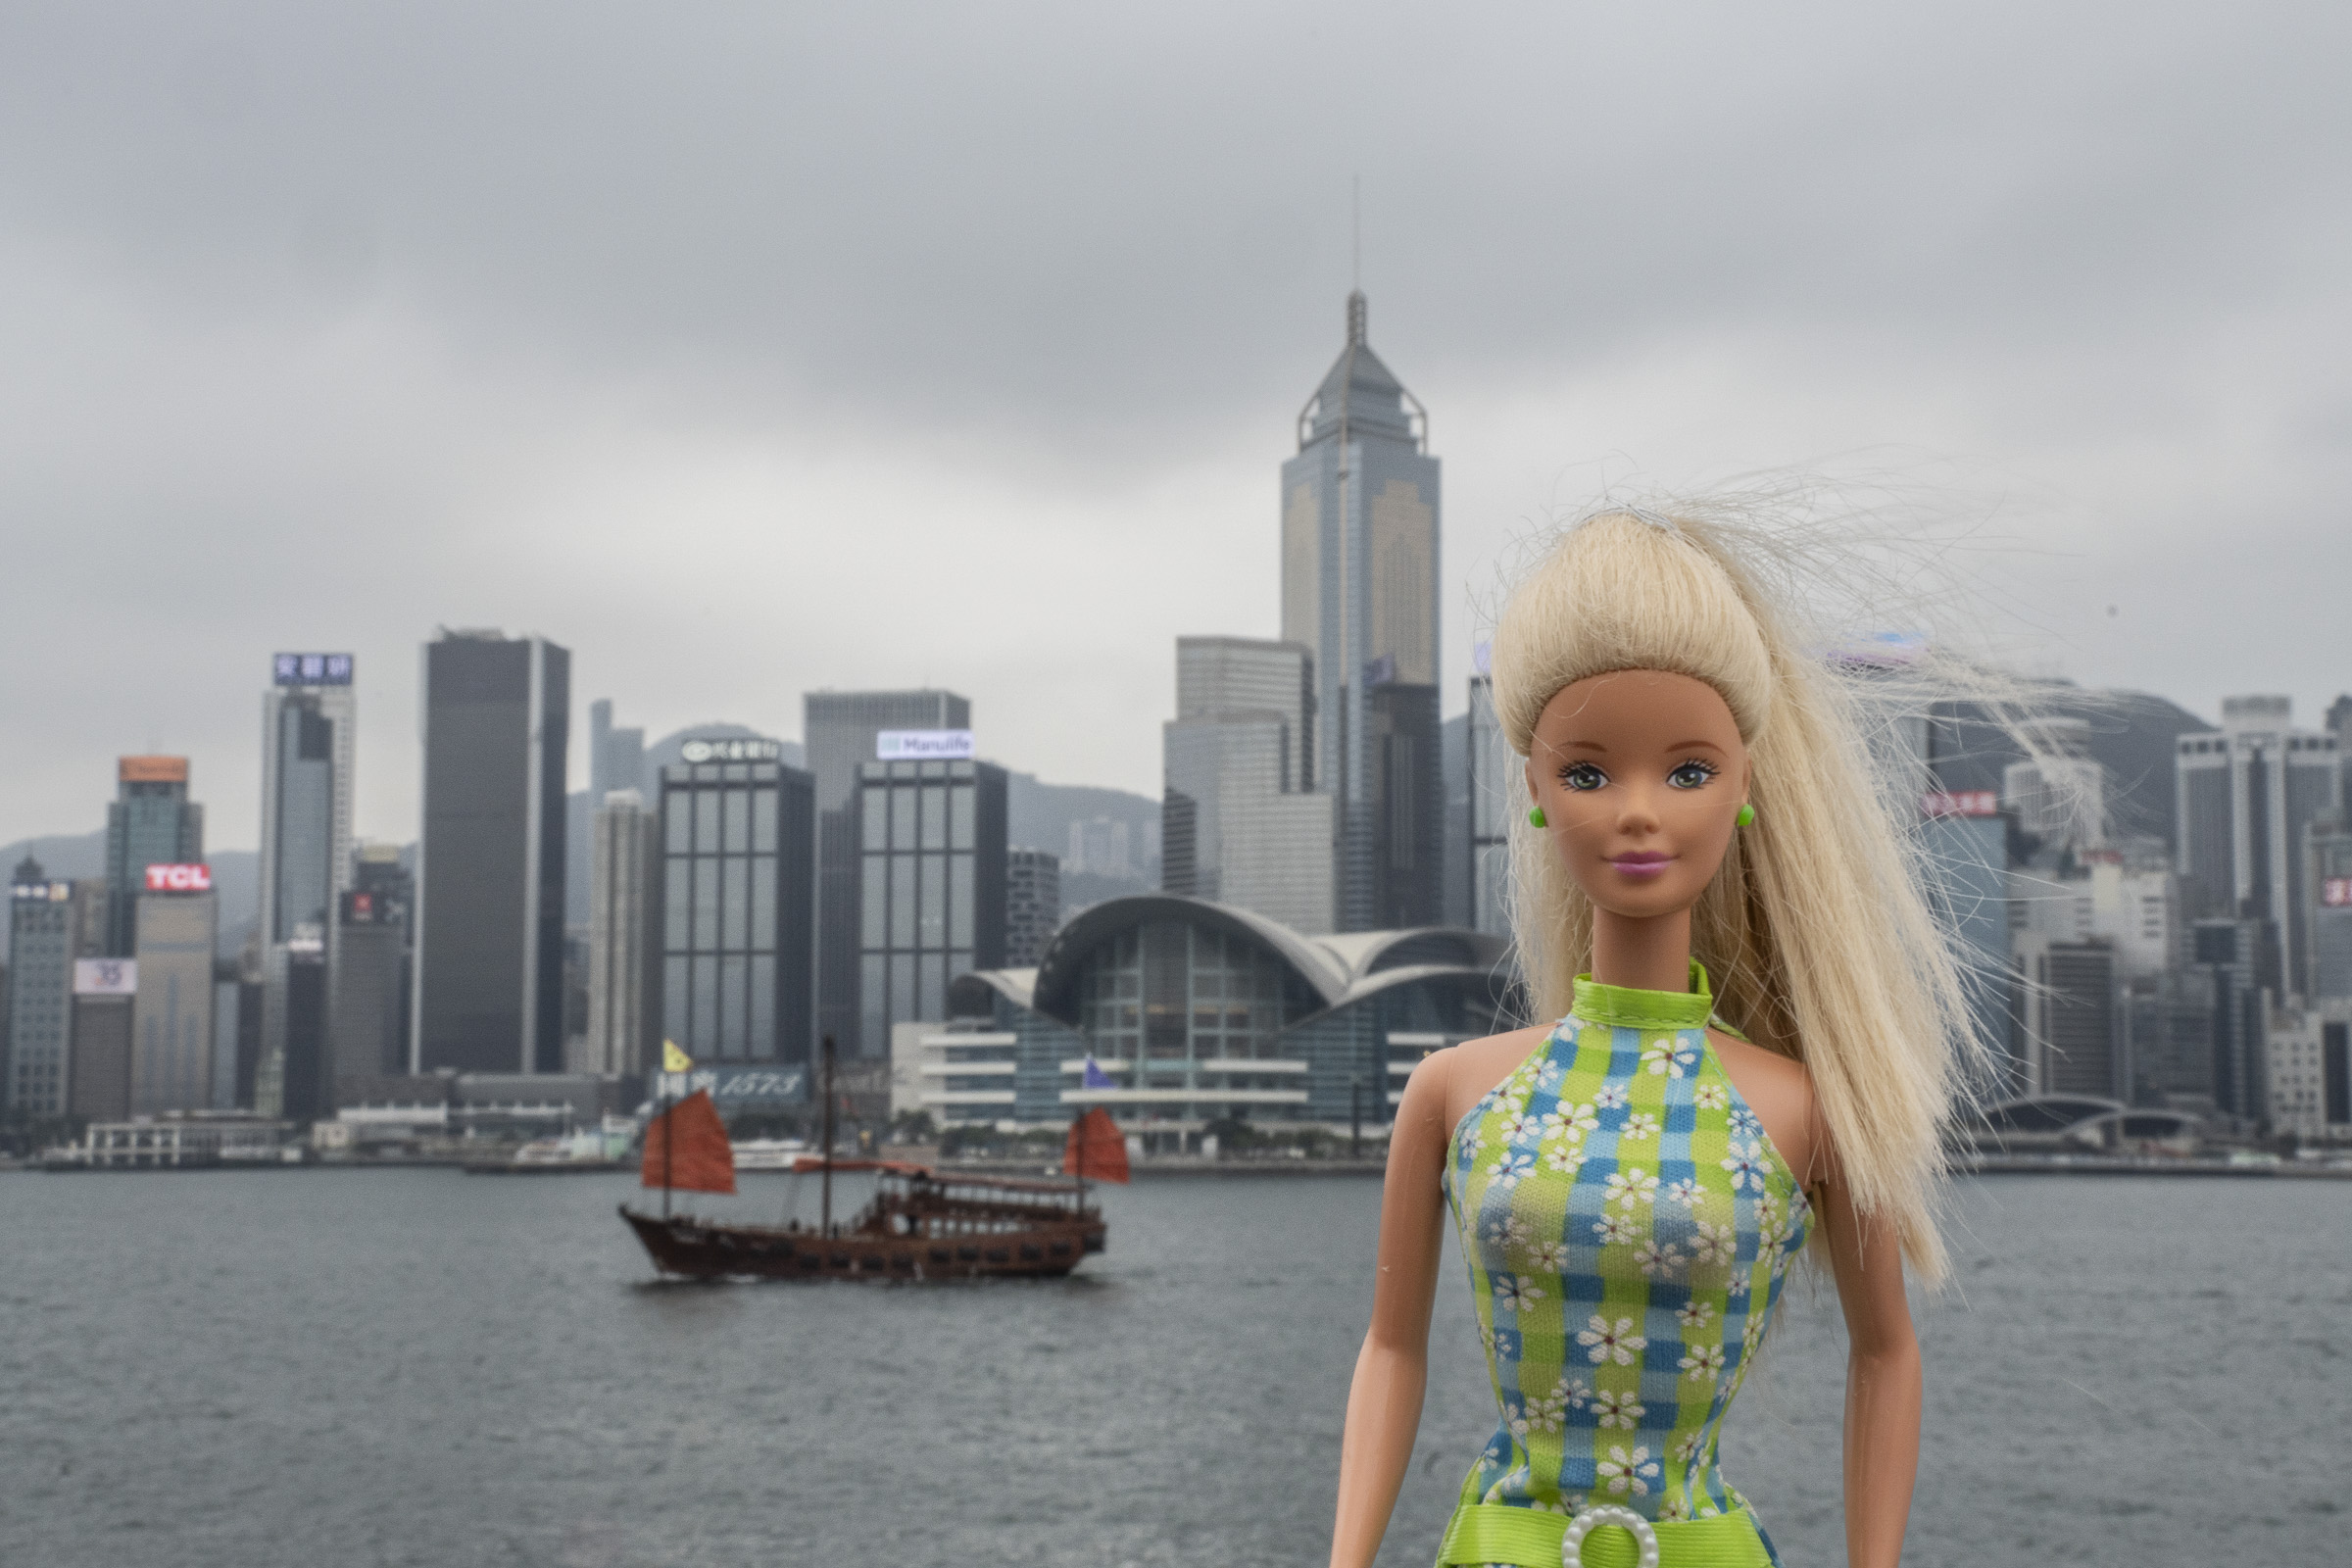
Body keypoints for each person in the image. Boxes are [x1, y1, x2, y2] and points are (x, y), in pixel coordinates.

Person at [1328, 507, 1984, 1568]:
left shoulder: (1805, 1110)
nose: (1639, 813)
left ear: (1745, 786)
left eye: (1687, 771)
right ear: (1534, 791)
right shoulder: (1456, 1091)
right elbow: (1390, 1348)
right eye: (1588, 772)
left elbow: (1887, 1354)